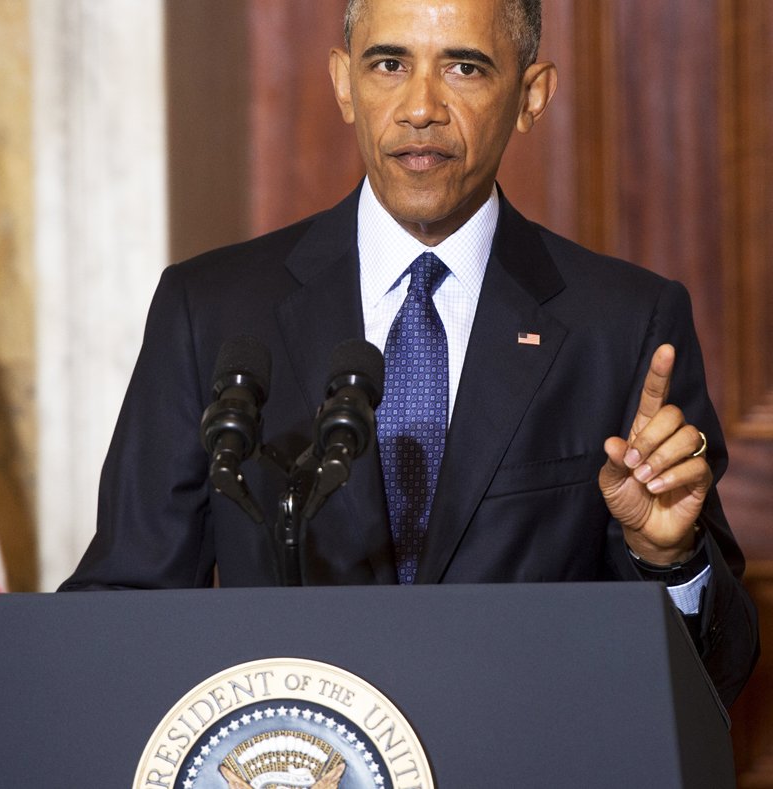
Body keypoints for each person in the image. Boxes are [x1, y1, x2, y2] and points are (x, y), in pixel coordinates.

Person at [60, 0, 758, 707]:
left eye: (464, 66)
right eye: (389, 64)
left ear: (531, 95)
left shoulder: (626, 324)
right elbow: (122, 606)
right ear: (342, 84)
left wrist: (666, 558)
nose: (421, 107)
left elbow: (721, 673)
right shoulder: (208, 310)